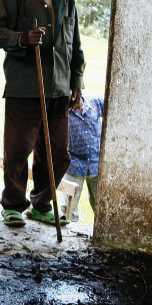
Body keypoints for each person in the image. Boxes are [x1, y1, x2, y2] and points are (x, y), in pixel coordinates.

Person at [0, 0, 84, 227]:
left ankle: (41, 204)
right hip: (25, 87)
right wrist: (20, 39)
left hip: (59, 89)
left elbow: (74, 43)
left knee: (57, 153)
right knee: (18, 150)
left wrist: (76, 81)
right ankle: (14, 206)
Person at [62, 93, 104, 222]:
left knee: (101, 205)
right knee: (68, 207)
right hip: (73, 164)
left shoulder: (95, 103)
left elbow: (115, 108)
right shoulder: (63, 111)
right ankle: (68, 234)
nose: (71, 99)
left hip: (96, 163)